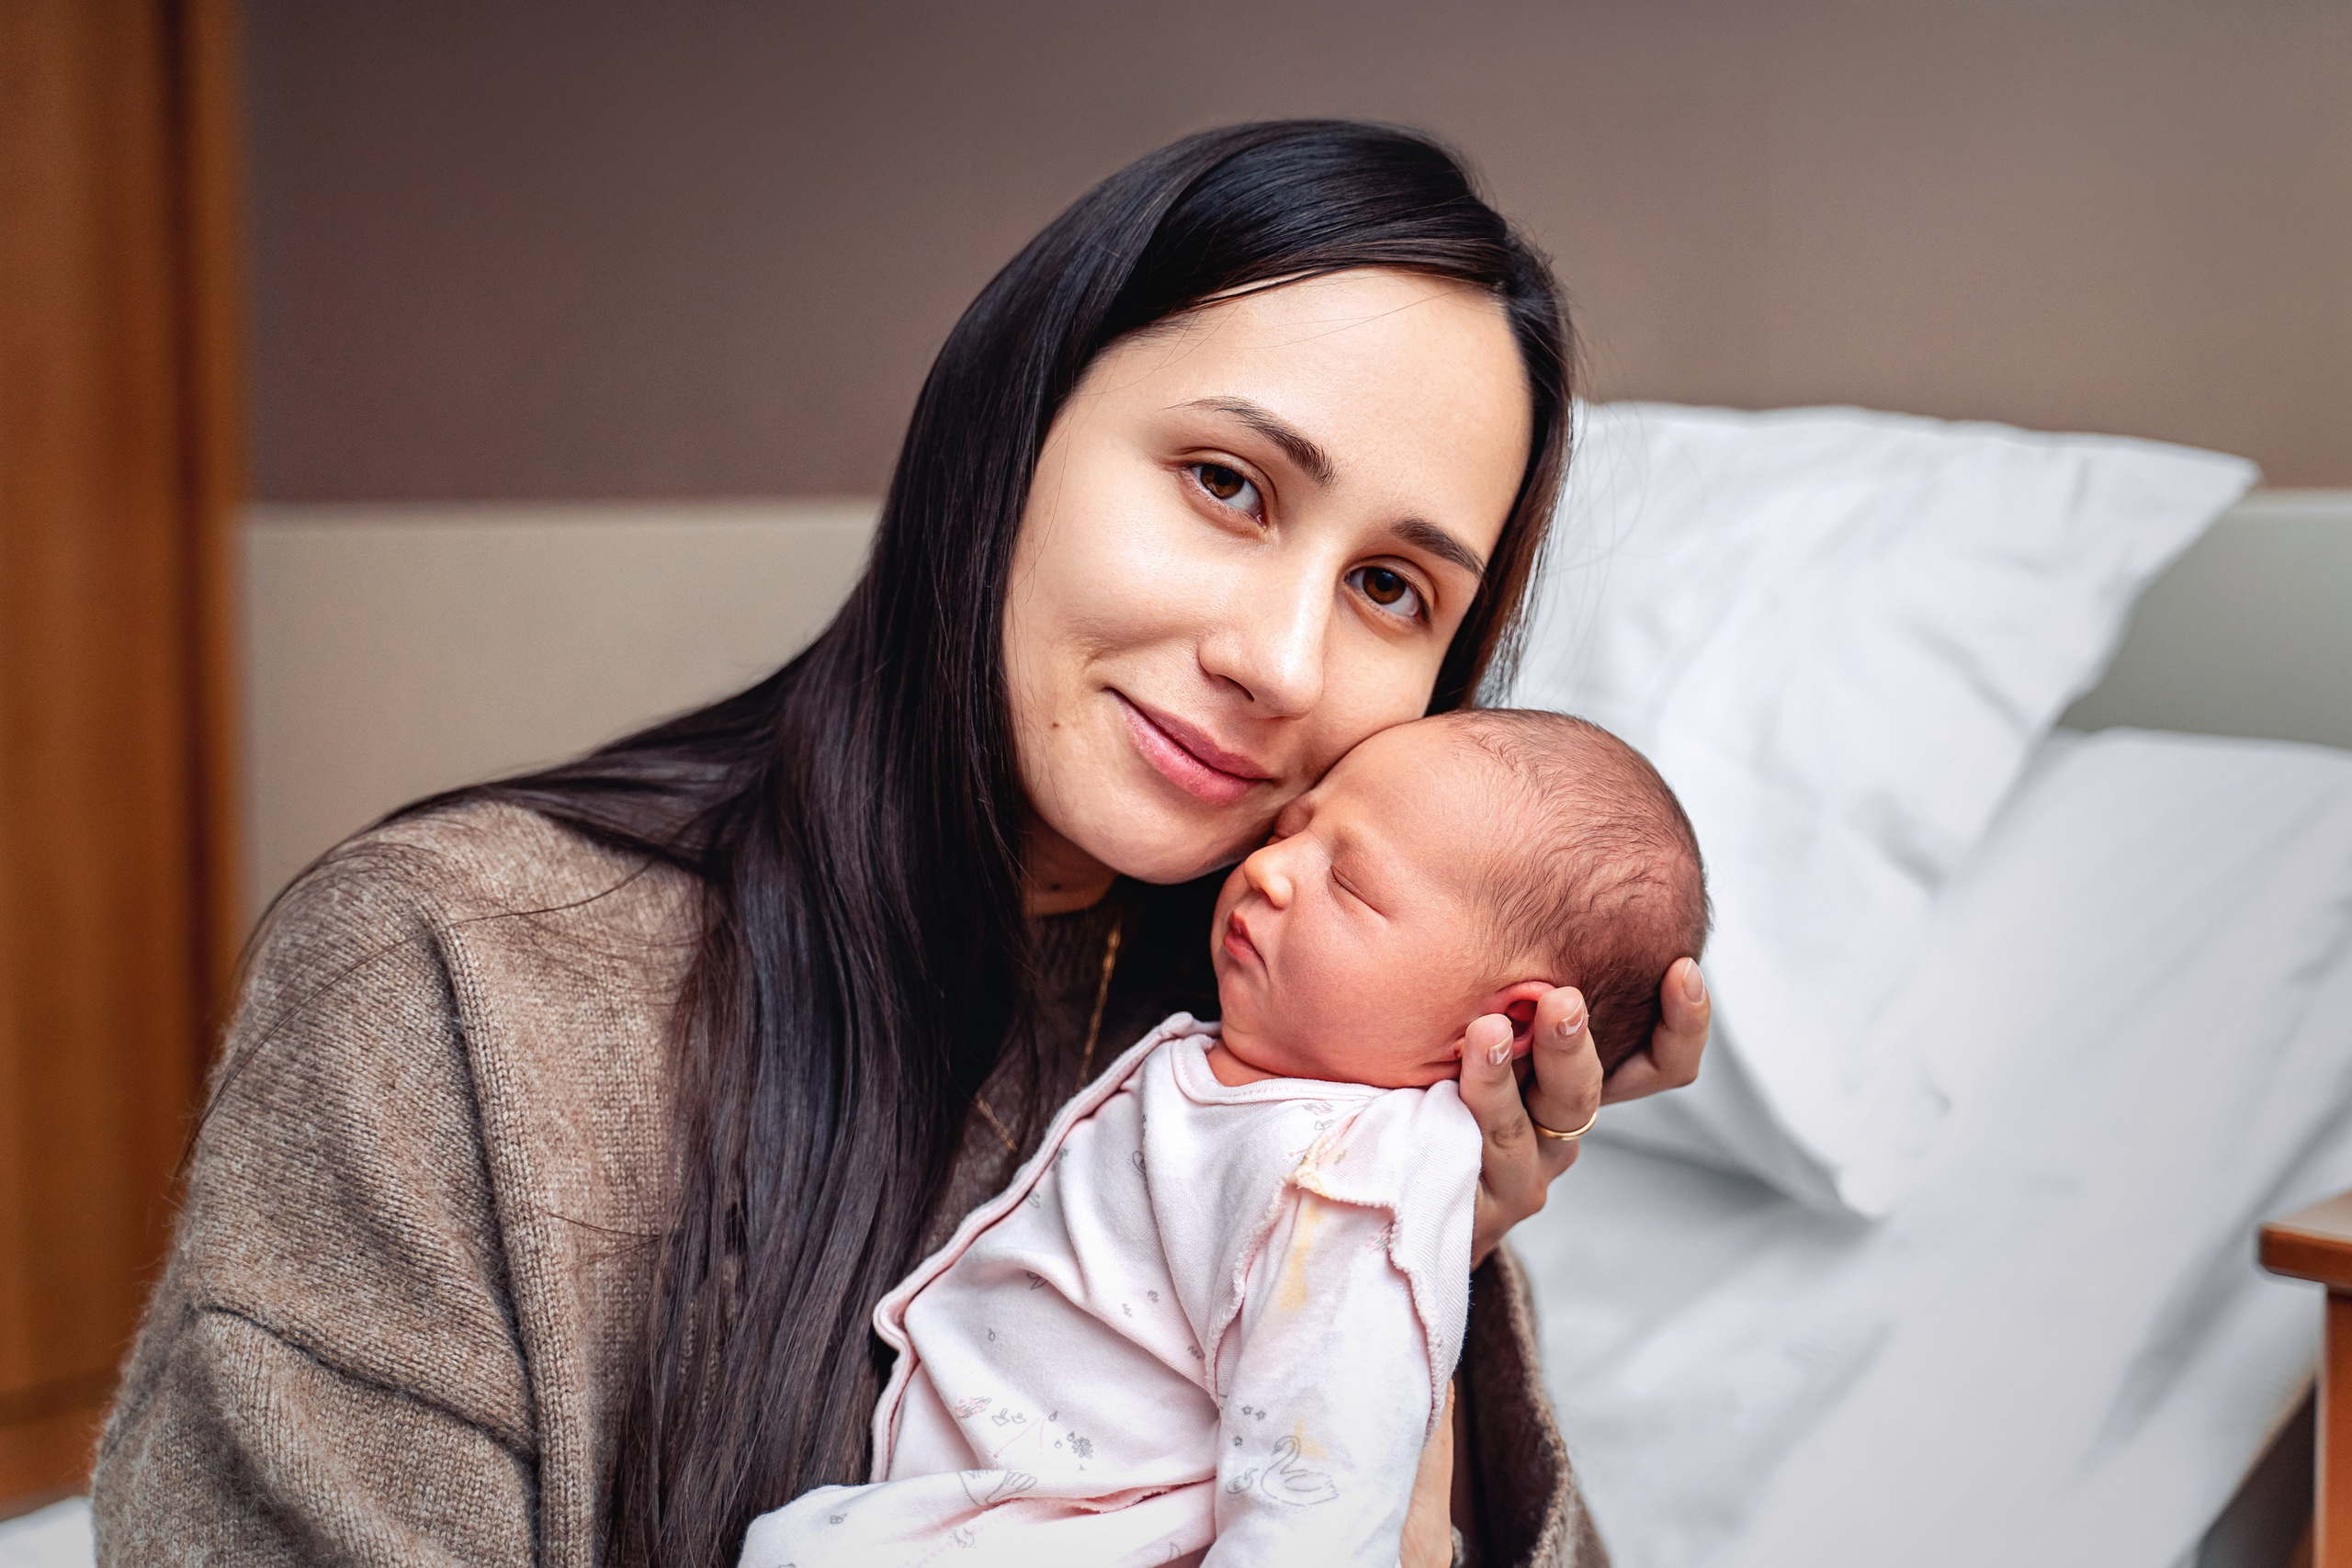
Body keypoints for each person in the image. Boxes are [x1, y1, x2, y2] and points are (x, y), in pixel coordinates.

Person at [91, 120, 1710, 1568]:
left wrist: (1413, 1271)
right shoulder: (451, 979)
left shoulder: (1297, 1080)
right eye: (1227, 482)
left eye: (1389, 591)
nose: (1282, 662)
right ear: (1009, 426)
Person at [738, 711, 1707, 1566]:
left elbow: (1315, 1503)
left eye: (1353, 884)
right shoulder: (1270, 1089)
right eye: (1293, 830)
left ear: (1513, 1026)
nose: (1272, 871)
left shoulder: (1351, 1193)